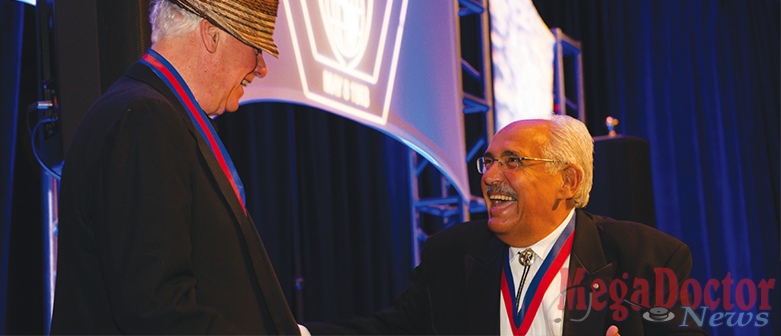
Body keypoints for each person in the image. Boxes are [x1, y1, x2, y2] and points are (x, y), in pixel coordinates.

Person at [50, 0, 301, 336]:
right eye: (256, 46)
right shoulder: (146, 120)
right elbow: (157, 309)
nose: (261, 67)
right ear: (212, 34)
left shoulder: (147, 111)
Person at [303, 115, 708, 336]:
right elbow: (389, 332)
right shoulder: (452, 253)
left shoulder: (642, 257)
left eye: (512, 161)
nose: (490, 177)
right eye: (489, 161)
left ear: (568, 181)